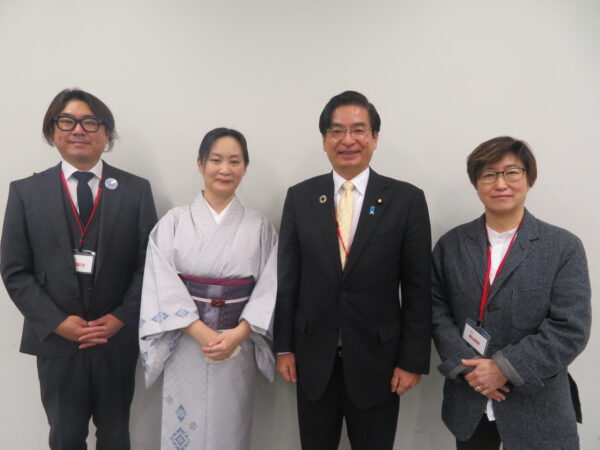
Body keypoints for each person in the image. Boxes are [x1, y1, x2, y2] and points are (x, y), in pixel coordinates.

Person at [0, 88, 157, 449]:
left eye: (89, 122)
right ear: (52, 131)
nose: (78, 130)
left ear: (106, 133)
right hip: (56, 341)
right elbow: (14, 270)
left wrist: (120, 318)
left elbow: (149, 264)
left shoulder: (135, 190)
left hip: (115, 340)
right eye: (67, 121)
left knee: (116, 436)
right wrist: (57, 322)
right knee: (65, 437)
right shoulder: (25, 192)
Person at [274, 90, 432, 450]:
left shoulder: (406, 200)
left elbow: (418, 289)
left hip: (380, 362)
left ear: (374, 138)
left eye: (359, 130)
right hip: (313, 359)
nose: (348, 140)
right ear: (324, 140)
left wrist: (412, 361)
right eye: (336, 131)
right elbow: (288, 279)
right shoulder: (300, 197)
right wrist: (284, 347)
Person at [431, 136, 591, 450]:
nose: (500, 183)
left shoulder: (563, 247)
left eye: (512, 172)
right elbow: (435, 311)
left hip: (539, 405)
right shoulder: (451, 245)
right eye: (488, 174)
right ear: (476, 184)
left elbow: (570, 328)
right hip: (471, 403)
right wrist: (471, 370)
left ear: (529, 178)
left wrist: (504, 368)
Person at [139, 127, 278, 450]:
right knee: (184, 425)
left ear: (245, 167)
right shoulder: (174, 222)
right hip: (186, 341)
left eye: (234, 161)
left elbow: (270, 288)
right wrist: (198, 331)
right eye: (216, 160)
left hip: (236, 343)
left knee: (230, 428)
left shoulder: (259, 227)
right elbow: (160, 282)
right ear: (200, 164)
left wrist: (239, 334)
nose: (225, 169)